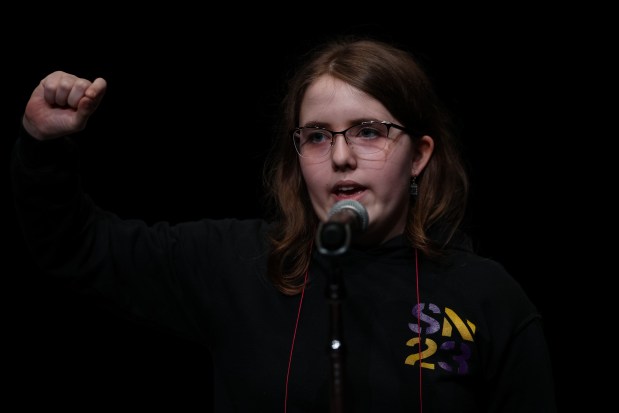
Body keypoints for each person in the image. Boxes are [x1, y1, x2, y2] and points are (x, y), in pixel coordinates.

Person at [10, 35, 556, 412]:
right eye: (318, 136)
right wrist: (44, 145)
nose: (341, 157)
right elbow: (76, 246)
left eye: (369, 131)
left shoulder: (488, 298)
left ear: (418, 155)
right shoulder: (240, 264)